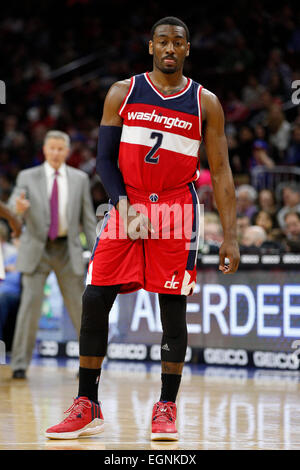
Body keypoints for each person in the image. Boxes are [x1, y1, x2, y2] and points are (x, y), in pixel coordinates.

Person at [45, 16, 240, 442]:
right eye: (163, 42)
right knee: (96, 298)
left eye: (178, 42)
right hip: (127, 201)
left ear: (187, 49)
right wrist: (124, 206)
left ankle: (166, 407)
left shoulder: (205, 102)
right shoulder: (124, 91)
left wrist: (231, 235)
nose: (170, 48)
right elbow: (103, 161)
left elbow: (222, 172)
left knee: (172, 308)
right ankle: (86, 403)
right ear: (150, 46)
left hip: (177, 206)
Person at [8, 130, 96, 379]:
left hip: (67, 249)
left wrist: (98, 251)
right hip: (37, 247)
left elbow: (88, 220)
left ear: (67, 152)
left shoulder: (79, 179)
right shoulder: (28, 176)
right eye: (52, 148)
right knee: (29, 308)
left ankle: (89, 364)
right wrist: (18, 208)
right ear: (45, 150)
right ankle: (19, 365)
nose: (56, 153)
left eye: (61, 149)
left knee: (81, 309)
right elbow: (15, 204)